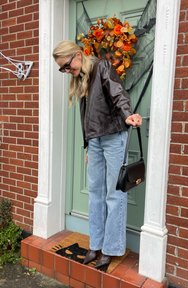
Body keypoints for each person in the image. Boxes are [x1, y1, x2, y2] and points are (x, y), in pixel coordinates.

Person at [53, 40, 142, 271]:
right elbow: (87, 118)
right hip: (95, 142)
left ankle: (110, 249)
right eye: (62, 69)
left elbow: (117, 92)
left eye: (67, 65)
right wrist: (88, 146)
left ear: (78, 55)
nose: (66, 71)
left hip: (113, 137)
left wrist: (127, 114)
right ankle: (96, 244)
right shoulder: (80, 79)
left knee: (114, 194)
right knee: (95, 194)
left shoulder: (101, 67)